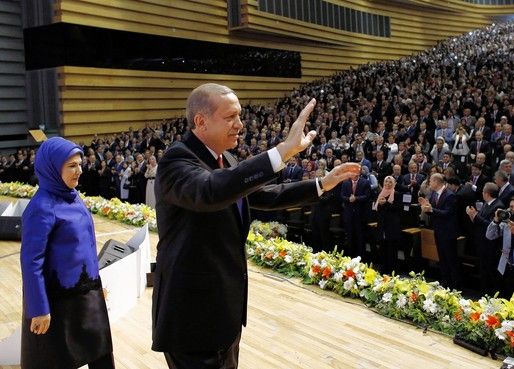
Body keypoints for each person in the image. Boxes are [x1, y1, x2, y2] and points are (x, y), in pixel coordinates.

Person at [151, 83, 360, 369]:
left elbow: (265, 195)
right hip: (192, 316)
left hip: (224, 313)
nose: (240, 124)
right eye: (230, 117)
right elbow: (210, 191)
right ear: (201, 121)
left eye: (240, 116)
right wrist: (282, 151)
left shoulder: (227, 159)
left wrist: (322, 184)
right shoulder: (176, 160)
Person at [20, 137, 114, 369]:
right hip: (58, 304)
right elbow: (31, 262)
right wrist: (39, 309)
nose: (79, 171)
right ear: (52, 167)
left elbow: (86, 247)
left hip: (87, 296)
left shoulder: (74, 197)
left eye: (80, 164)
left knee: (100, 355)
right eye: (72, 166)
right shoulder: (41, 207)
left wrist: (96, 283)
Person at [419, 173, 461, 288]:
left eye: (431, 181)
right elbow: (433, 211)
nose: (429, 183)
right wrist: (426, 208)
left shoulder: (450, 195)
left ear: (437, 182)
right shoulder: (433, 194)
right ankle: (445, 281)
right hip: (438, 230)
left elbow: (448, 213)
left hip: (448, 232)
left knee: (450, 259)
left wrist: (431, 209)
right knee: (441, 258)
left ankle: (455, 284)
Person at [466, 182, 504, 295]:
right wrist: (473, 216)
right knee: (483, 271)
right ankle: (484, 293)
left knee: (490, 271)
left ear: (487, 193)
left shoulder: (498, 206)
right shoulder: (486, 204)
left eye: (482, 191)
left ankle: (491, 294)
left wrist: (475, 216)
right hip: (481, 242)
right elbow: (480, 220)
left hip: (490, 245)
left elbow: (491, 224)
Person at [375, 176, 402, 274]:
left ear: (394, 183)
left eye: (390, 182)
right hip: (382, 224)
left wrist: (386, 203)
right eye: (386, 181)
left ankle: (392, 270)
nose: (387, 183)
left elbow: (398, 208)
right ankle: (383, 268)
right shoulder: (380, 194)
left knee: (392, 249)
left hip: (392, 226)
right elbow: (377, 208)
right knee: (383, 248)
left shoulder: (396, 194)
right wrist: (381, 204)